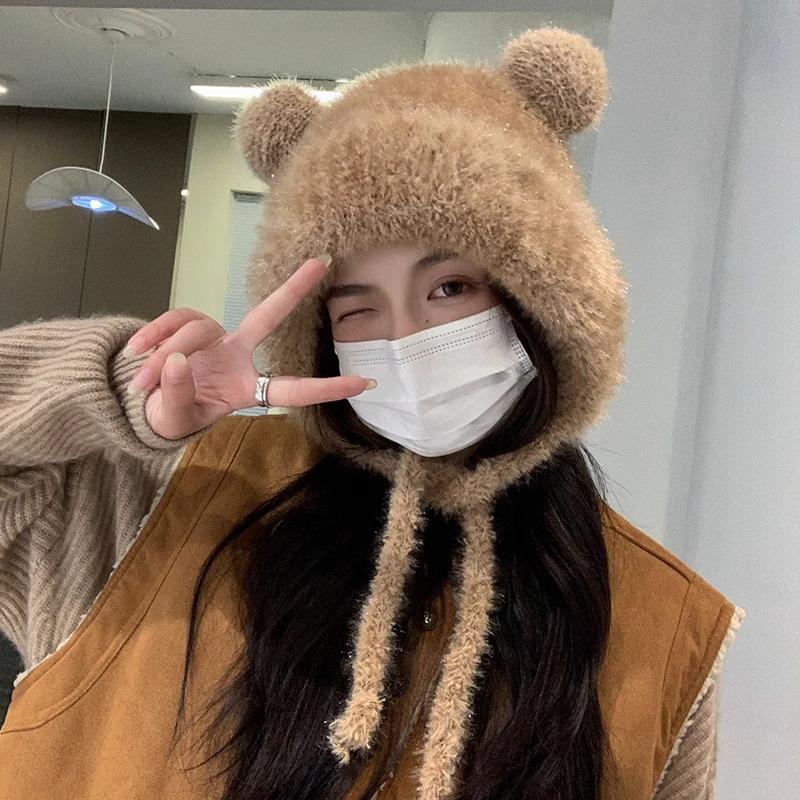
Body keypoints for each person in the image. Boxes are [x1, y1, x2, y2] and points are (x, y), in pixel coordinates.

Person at [0, 25, 744, 800]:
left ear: (544, 302)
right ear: (319, 339)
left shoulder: (669, 623)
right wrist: (120, 390)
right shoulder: (158, 504)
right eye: (357, 309)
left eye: (451, 288)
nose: (407, 338)